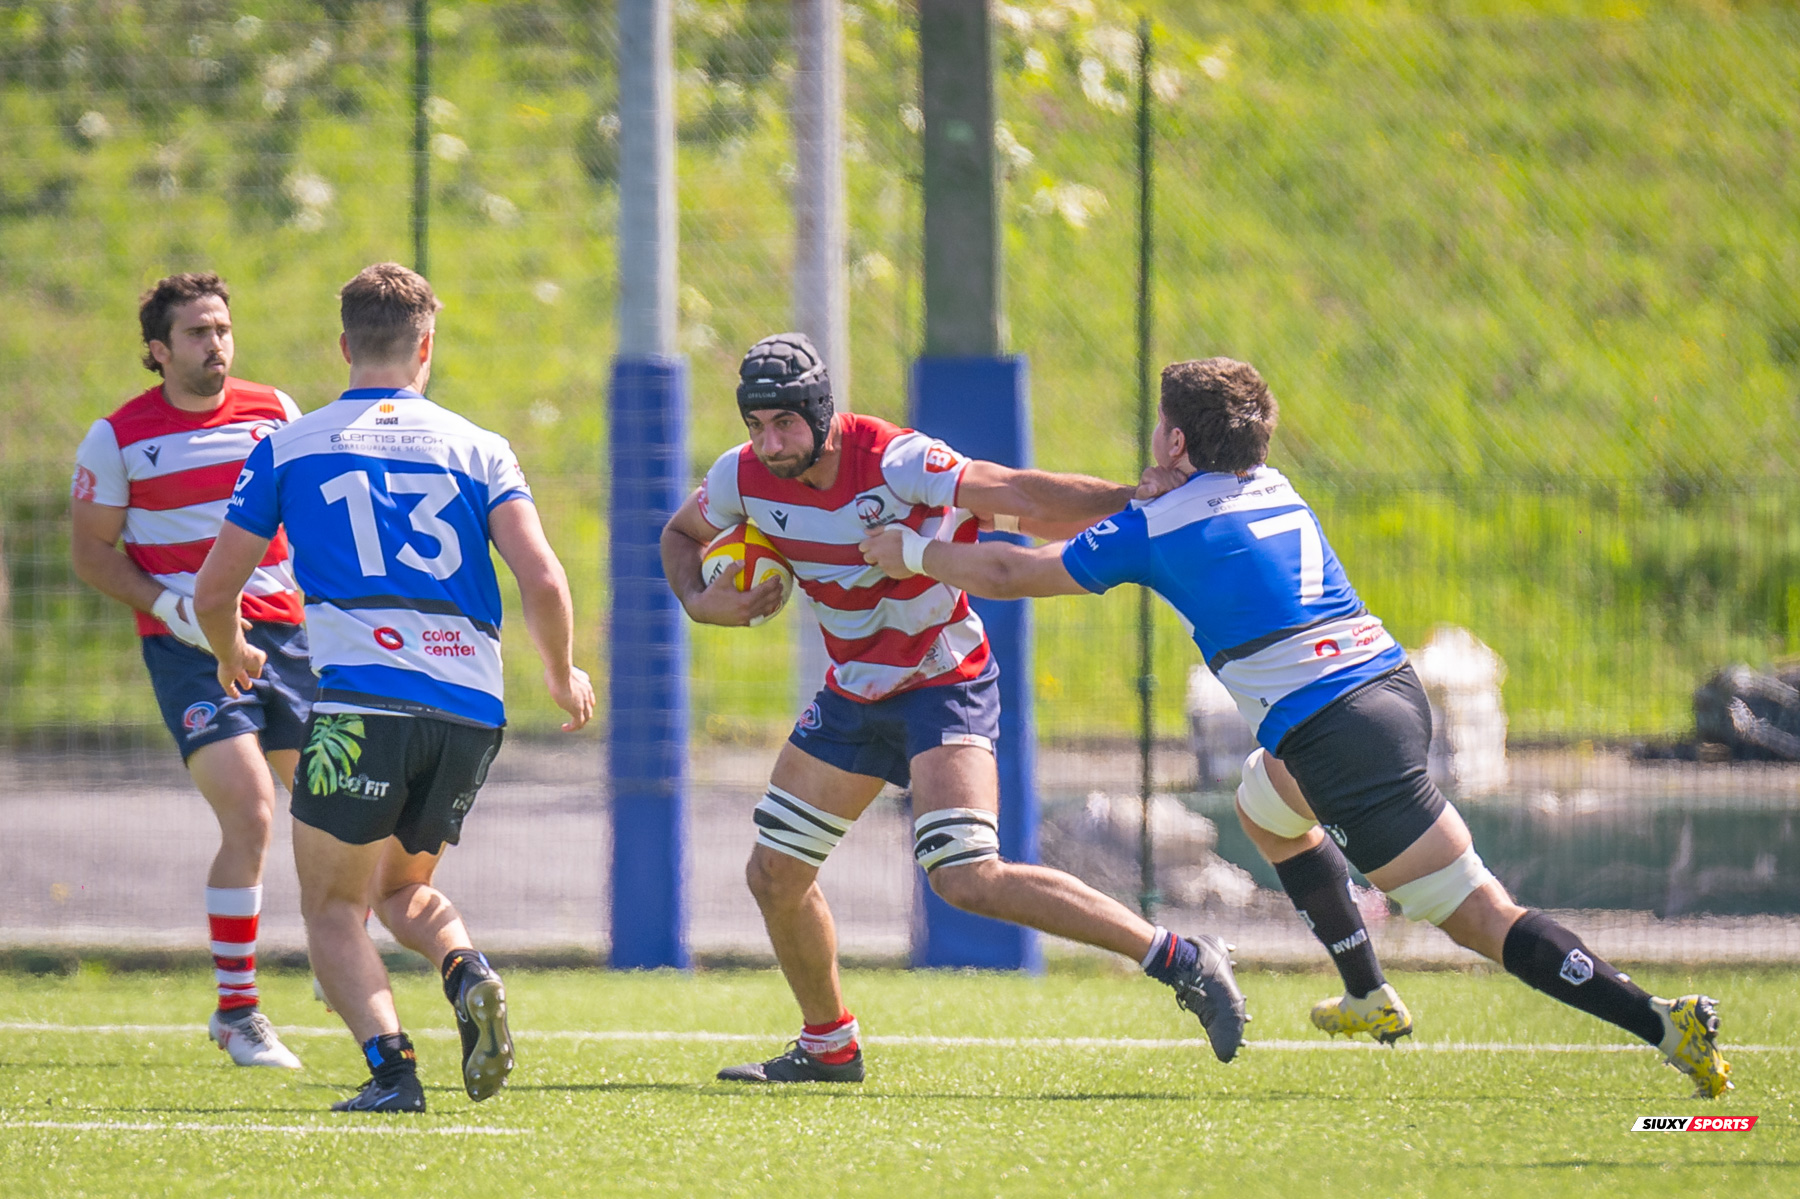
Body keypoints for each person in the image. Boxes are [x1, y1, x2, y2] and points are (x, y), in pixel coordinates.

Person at [861, 356, 1733, 1099]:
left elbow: (1011, 572)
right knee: (1266, 805)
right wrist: (1148, 494)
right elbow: (1163, 518)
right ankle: (1367, 992)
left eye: (1159, 426)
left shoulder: (1159, 524)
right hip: (1387, 686)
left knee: (1480, 914)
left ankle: (1663, 1022)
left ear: (1175, 440)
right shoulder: (1269, 484)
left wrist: (913, 553)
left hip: (1336, 730)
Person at [660, 333, 1248, 1083]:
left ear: (822, 412)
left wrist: (1131, 497)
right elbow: (680, 534)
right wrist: (699, 599)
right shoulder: (741, 477)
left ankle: (1181, 958)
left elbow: (1018, 495)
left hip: (942, 678)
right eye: (756, 426)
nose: (770, 444)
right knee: (774, 872)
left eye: (785, 424)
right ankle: (829, 1045)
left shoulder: (895, 459)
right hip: (856, 690)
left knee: (965, 874)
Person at [194, 263, 594, 1113]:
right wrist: (562, 676)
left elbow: (214, 589)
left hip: (360, 707)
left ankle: (392, 1071)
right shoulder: (479, 446)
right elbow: (544, 579)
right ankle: (466, 968)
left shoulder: (287, 446)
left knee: (333, 907)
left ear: (345, 346)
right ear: (426, 347)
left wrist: (232, 651)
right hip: (469, 709)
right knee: (400, 888)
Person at [69, 272, 308, 1070]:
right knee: (251, 809)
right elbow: (91, 553)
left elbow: (309, 517)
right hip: (189, 650)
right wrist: (172, 608)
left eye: (223, 329)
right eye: (198, 332)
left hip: (286, 639)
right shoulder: (118, 437)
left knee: (331, 809)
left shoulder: (274, 411)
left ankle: (338, 949)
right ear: (158, 350)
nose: (216, 344)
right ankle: (237, 1011)